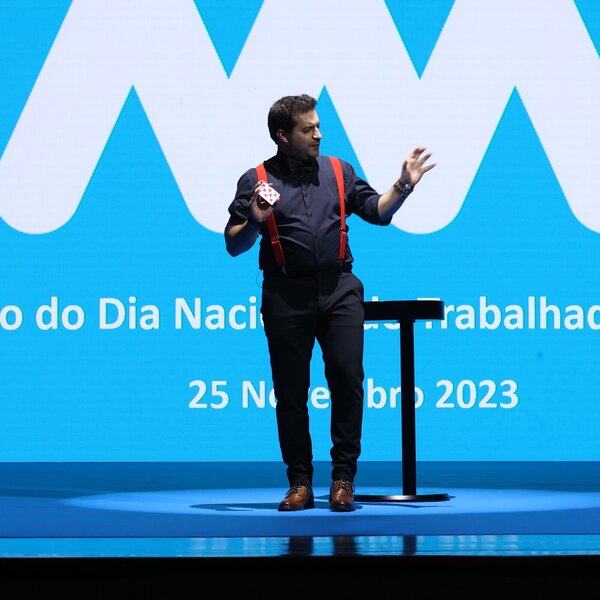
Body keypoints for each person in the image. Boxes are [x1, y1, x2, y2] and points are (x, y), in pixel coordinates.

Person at [225, 94, 435, 511]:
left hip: (339, 289)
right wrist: (256, 220)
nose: (318, 134)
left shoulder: (339, 171)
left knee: (347, 380)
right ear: (283, 136)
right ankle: (300, 483)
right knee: (291, 392)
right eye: (309, 129)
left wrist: (404, 184)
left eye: (318, 126)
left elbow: (377, 211)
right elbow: (234, 244)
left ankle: (343, 479)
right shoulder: (256, 179)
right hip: (285, 293)